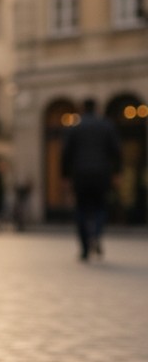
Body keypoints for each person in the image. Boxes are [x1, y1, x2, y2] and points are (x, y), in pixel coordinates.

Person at [61, 98, 122, 261]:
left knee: (81, 209)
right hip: (102, 174)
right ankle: (96, 234)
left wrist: (65, 176)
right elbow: (117, 152)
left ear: (82, 108)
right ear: (97, 108)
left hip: (80, 175)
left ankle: (85, 248)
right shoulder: (107, 126)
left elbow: (65, 155)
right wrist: (117, 173)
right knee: (100, 207)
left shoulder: (74, 127)